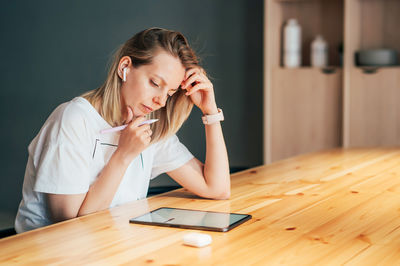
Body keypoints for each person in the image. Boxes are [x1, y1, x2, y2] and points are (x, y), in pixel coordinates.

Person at [15, 28, 230, 233]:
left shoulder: (148, 126)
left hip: (111, 247)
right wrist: (123, 155)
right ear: (124, 67)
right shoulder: (73, 120)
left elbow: (217, 189)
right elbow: (71, 227)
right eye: (155, 82)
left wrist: (210, 111)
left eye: (171, 92)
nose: (161, 101)